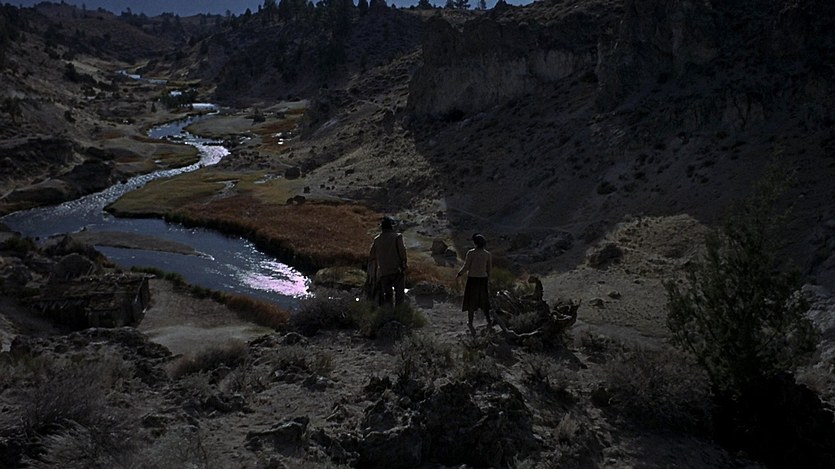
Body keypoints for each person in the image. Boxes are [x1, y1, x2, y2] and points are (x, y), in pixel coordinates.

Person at [457, 233, 492, 335]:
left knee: (471, 301)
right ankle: (489, 321)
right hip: (483, 279)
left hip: (473, 279)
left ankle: (470, 322)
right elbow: (489, 269)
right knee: (484, 300)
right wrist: (488, 279)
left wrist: (459, 274)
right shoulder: (487, 254)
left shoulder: (471, 253)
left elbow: (466, 266)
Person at [368, 216, 407, 307]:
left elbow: (372, 256)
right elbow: (402, 252)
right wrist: (404, 263)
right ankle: (400, 313)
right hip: (397, 270)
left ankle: (388, 313)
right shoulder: (397, 237)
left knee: (388, 297)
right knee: (399, 296)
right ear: (391, 226)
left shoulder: (377, 240)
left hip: (384, 272)